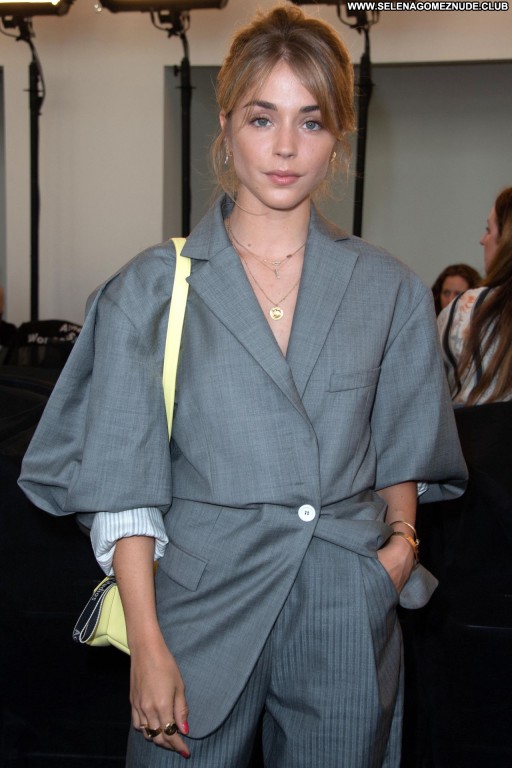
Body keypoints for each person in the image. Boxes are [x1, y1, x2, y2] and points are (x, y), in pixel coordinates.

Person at [19, 5, 467, 767]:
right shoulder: (151, 288)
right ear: (225, 126)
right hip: (199, 607)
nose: (286, 146)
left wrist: (399, 547)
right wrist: (146, 643)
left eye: (311, 121)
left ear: (339, 136)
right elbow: (125, 481)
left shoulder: (387, 287)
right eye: (263, 118)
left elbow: (403, 445)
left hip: (345, 597)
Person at [438, 187, 512, 406]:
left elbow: (428, 391)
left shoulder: (466, 310)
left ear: (505, 241)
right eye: (446, 292)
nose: (482, 239)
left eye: (488, 230)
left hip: (476, 427)